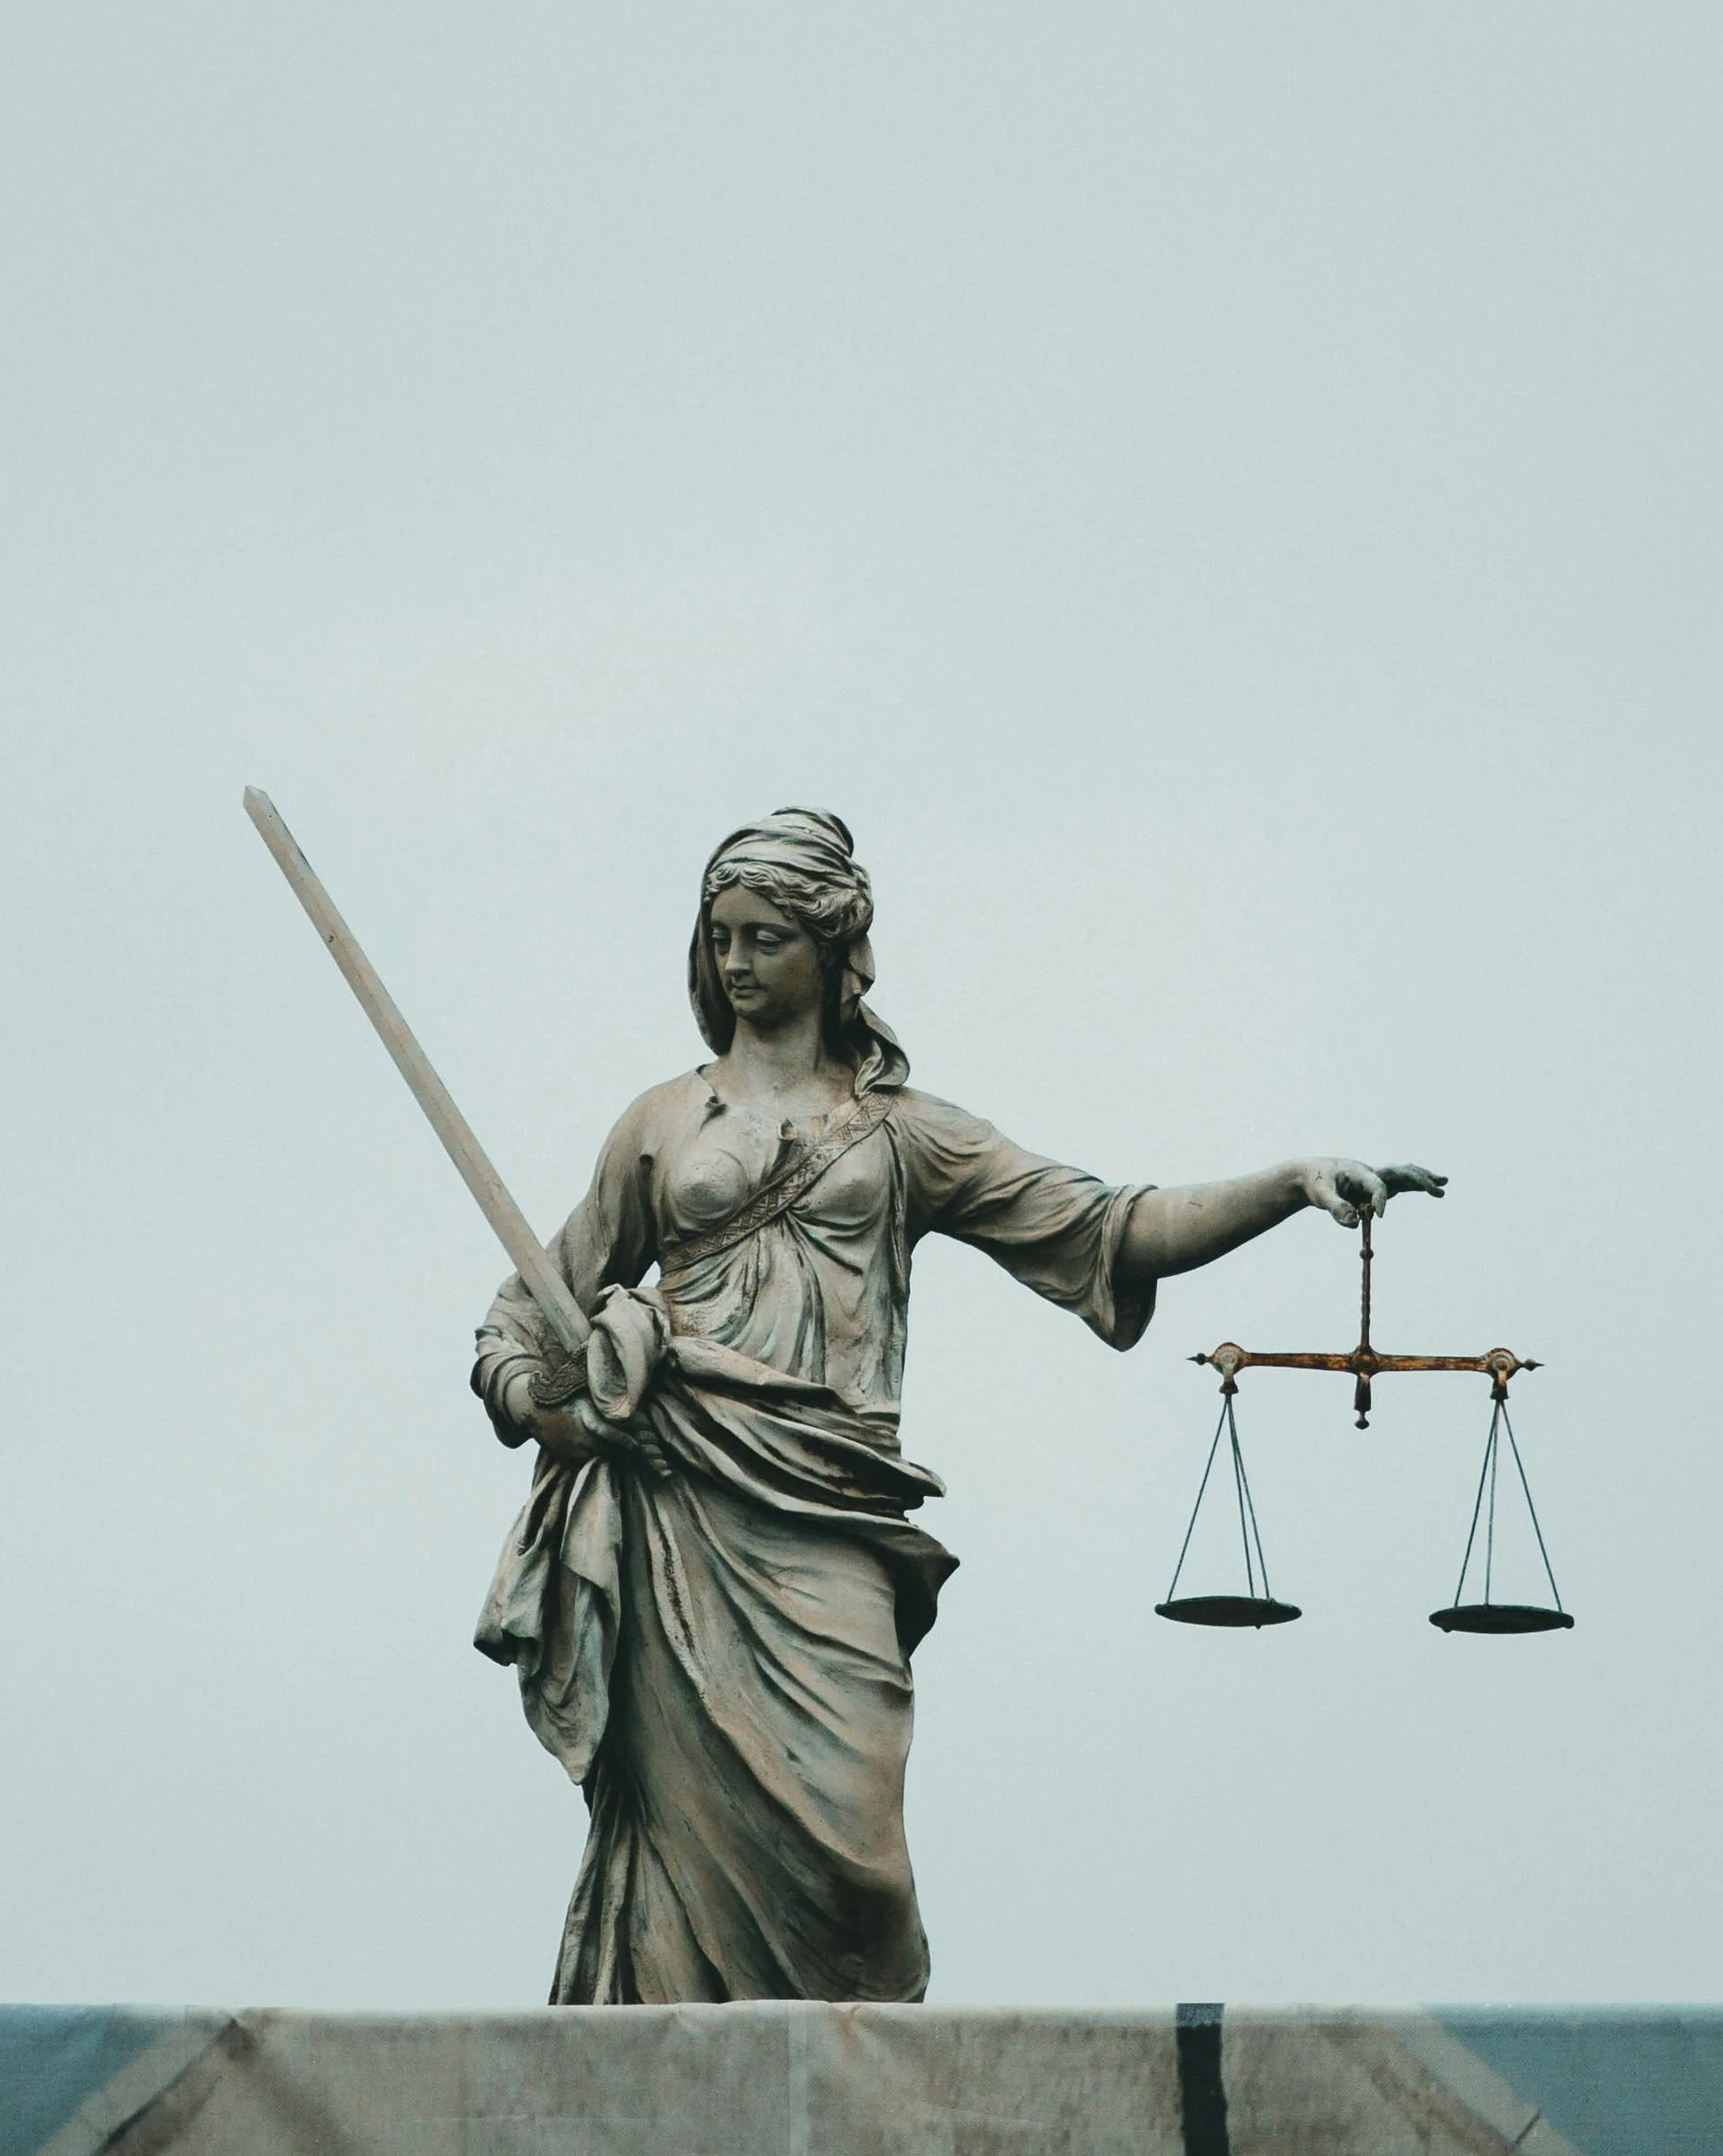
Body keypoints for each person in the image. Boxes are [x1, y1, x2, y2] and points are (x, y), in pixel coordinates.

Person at [474, 809, 1441, 2004]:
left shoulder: (906, 1137)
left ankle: (850, 2118)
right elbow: (529, 1309)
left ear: (833, 950)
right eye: (720, 935)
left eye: (764, 936)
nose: (734, 962)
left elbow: (1109, 1223)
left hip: (827, 1517)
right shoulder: (662, 1125)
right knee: (681, 1870)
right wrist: (547, 1408)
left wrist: (1291, 1184)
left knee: (856, 1869)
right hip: (681, 1520)